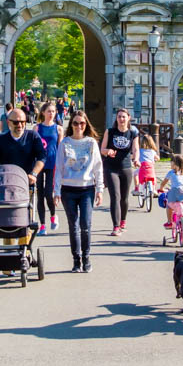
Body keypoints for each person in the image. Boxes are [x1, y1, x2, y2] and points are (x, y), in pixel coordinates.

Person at [54, 109, 103, 272]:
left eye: (82, 123)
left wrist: (100, 189)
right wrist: (57, 191)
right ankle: (76, 260)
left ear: (86, 124)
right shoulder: (65, 143)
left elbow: (98, 167)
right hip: (68, 189)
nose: (79, 126)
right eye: (75, 123)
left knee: (86, 225)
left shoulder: (91, 143)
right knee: (73, 226)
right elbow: (59, 167)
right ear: (71, 124)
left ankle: (86, 257)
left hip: (87, 188)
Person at [100, 107, 138, 235]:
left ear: (128, 118)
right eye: (119, 116)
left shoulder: (133, 133)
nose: (121, 119)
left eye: (123, 116)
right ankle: (116, 227)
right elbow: (102, 149)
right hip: (111, 168)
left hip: (126, 168)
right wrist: (108, 151)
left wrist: (136, 159)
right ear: (116, 119)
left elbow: (136, 149)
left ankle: (123, 220)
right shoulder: (110, 132)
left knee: (124, 198)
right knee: (115, 197)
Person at [34, 100, 62, 234]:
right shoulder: (37, 128)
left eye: (53, 111)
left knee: (48, 193)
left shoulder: (58, 128)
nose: (51, 114)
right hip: (39, 163)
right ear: (43, 113)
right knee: (39, 193)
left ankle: (52, 215)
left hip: (52, 163)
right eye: (49, 111)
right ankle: (42, 225)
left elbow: (60, 147)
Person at [158, 154, 183, 230]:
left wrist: (161, 188)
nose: (170, 163)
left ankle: (169, 222)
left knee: (169, 206)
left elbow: (163, 183)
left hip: (174, 192)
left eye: (171, 162)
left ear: (175, 164)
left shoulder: (171, 173)